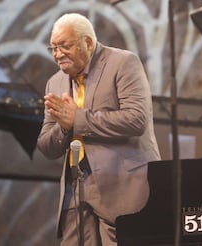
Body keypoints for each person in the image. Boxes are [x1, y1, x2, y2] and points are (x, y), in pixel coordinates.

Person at [37, 13, 161, 245]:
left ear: (88, 43)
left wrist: (78, 119)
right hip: (76, 190)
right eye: (53, 48)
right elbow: (46, 145)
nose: (58, 54)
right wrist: (65, 128)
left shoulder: (123, 62)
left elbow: (137, 119)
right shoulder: (55, 82)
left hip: (122, 185)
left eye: (65, 46)